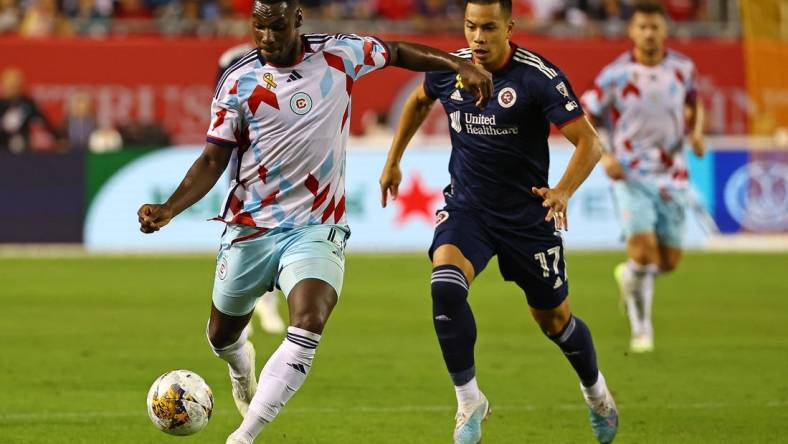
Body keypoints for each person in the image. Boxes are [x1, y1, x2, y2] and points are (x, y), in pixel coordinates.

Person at [136, 1, 493, 443]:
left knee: (308, 322)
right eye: (259, 28)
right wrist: (170, 207)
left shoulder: (339, 55)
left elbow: (399, 51)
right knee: (221, 335)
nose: (266, 38)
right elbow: (213, 157)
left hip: (316, 228)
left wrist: (460, 64)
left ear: (298, 21)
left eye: (277, 27)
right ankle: (240, 364)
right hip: (250, 230)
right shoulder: (238, 81)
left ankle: (244, 435)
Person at [379, 1, 618, 443]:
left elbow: (589, 143)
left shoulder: (537, 78)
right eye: (471, 27)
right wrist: (393, 161)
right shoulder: (448, 68)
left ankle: (596, 392)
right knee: (445, 286)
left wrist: (562, 190)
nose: (478, 38)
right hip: (468, 208)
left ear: (510, 27)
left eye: (488, 27)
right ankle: (469, 399)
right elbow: (417, 102)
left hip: (527, 217)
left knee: (555, 322)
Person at [580, 1, 705, 353]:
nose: (649, 33)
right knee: (644, 251)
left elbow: (695, 104)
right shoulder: (615, 75)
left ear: (665, 30)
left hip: (674, 174)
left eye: (655, 27)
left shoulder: (683, 68)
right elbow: (585, 112)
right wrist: (605, 153)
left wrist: (696, 132)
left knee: (668, 261)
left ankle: (629, 275)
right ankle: (641, 329)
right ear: (632, 31)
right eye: (642, 27)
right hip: (631, 173)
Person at [217, 42, 287, 335]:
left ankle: (268, 305)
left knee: (278, 236)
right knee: (241, 234)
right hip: (242, 166)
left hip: (281, 165)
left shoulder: (293, 55)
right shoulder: (232, 59)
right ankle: (236, 310)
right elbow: (221, 107)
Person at [0, 67, 60, 153]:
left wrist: (58, 138)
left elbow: (43, 122)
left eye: (16, 83)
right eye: (10, 83)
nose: (13, 86)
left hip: (24, 148)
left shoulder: (28, 103)